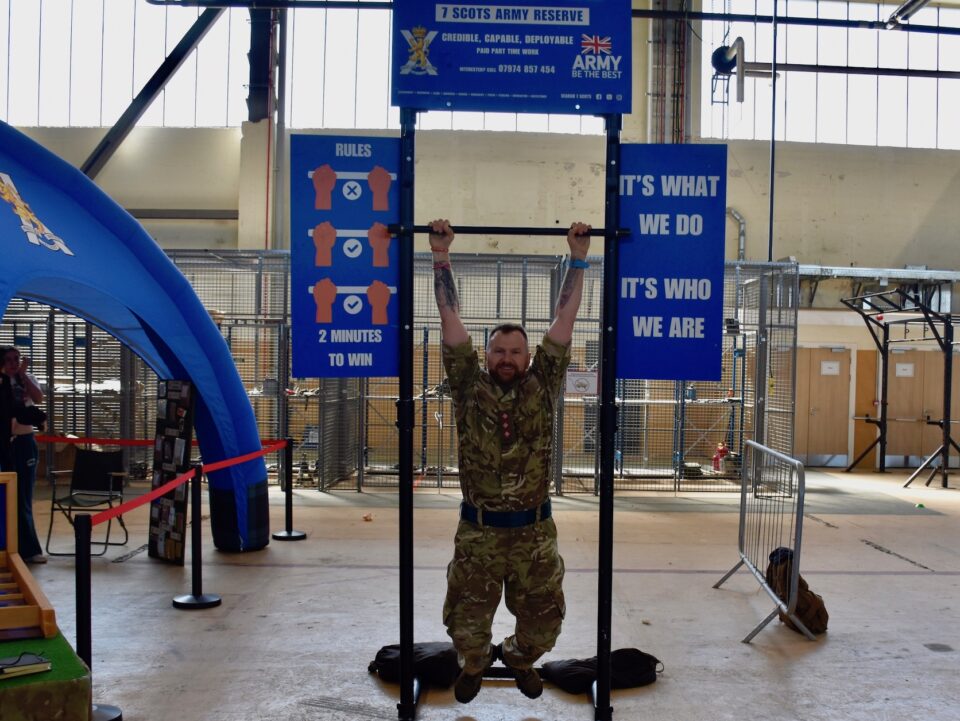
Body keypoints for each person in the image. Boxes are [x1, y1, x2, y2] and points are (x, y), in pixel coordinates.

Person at [429, 218, 591, 703]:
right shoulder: (468, 387)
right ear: (486, 355)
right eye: (498, 350)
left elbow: (564, 321)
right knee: (464, 625)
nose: (507, 357)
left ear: (527, 357)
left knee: (545, 624)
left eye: (516, 351)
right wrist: (440, 255)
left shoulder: (543, 385)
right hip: (478, 532)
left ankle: (519, 660)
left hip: (534, 533)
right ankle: (475, 664)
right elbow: (450, 320)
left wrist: (579, 258)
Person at [1, 346, 46, 563]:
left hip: (23, 441)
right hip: (4, 442)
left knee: (23, 496)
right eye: (8, 359)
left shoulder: (27, 378)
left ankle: (29, 549)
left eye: (16, 359)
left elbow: (38, 399)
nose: (13, 363)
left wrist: (23, 376)